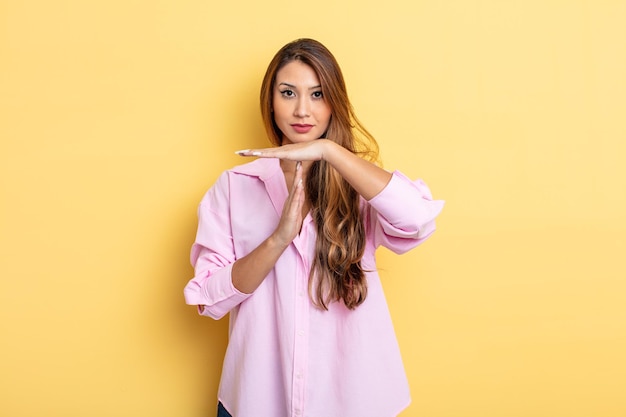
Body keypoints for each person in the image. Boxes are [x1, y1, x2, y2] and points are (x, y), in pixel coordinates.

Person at [184, 38, 444, 417]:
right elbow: (208, 297)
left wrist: (330, 152)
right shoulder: (234, 187)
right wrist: (278, 239)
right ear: (270, 101)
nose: (302, 110)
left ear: (334, 102)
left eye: (318, 94)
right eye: (288, 93)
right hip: (258, 400)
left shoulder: (360, 186)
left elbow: (418, 220)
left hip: (353, 401)